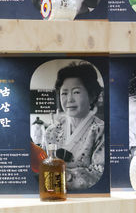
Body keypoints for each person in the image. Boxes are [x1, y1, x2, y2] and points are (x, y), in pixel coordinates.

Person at [44, 62, 105, 190]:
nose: (69, 99)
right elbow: (42, 166)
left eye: (76, 92)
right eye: (64, 93)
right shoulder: (51, 131)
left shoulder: (101, 130)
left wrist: (57, 172)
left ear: (92, 95)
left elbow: (97, 174)